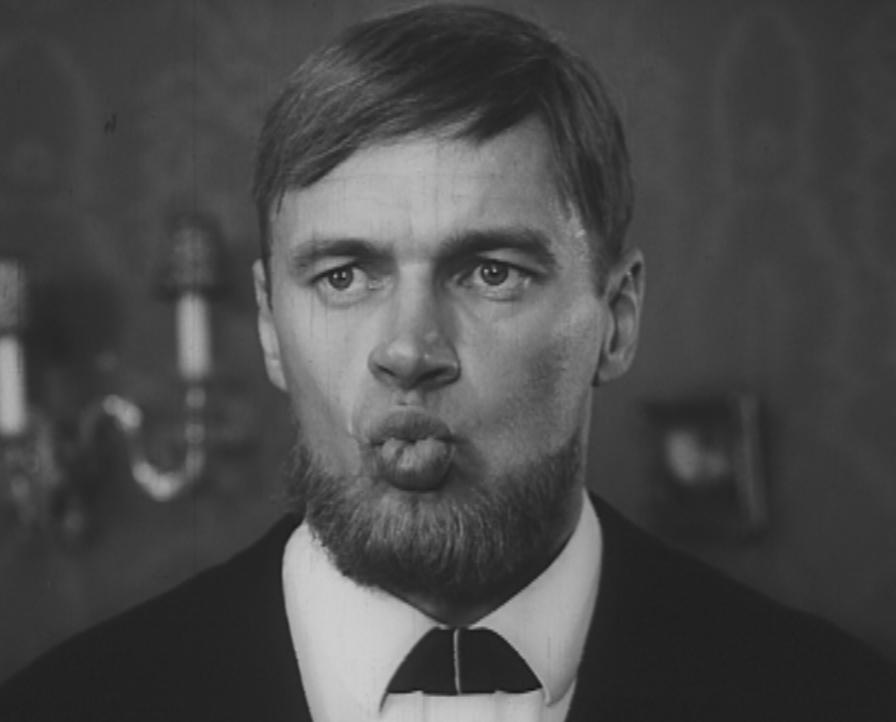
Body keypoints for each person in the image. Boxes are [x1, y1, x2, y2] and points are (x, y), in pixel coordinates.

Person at [1, 4, 894, 721]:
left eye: (491, 272)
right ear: (270, 325)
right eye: (343, 276)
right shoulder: (61, 707)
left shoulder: (835, 699)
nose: (408, 351)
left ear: (617, 320)